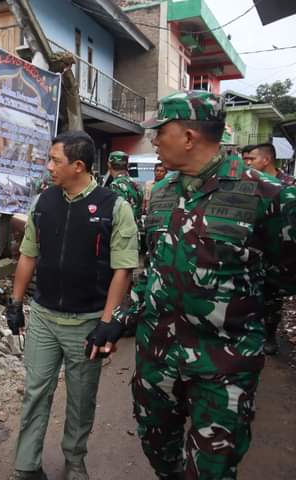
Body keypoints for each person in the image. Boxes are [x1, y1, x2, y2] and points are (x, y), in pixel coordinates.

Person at [130, 90, 296, 479]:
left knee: (211, 470)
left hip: (224, 365)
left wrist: (237, 307)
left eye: (160, 131)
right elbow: (154, 265)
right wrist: (123, 314)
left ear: (189, 137)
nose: (153, 140)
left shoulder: (269, 196)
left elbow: (285, 273)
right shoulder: (161, 193)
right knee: (158, 451)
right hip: (157, 358)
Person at [6, 131, 138, 480]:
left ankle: (75, 460)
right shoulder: (44, 202)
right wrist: (15, 302)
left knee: (81, 399)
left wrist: (108, 321)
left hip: (87, 322)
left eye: (55, 160)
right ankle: (26, 466)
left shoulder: (114, 206)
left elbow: (123, 269)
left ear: (78, 166)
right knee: (36, 392)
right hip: (45, 317)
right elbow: (27, 255)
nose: (49, 166)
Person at [242, 143, 296, 355]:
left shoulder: (287, 186)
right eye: (245, 159)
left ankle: (270, 334)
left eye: (251, 159)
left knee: (272, 298)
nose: (246, 163)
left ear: (266, 160)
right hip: (254, 250)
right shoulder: (249, 185)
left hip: (278, 252)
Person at [106, 151, 144, 224]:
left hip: (123, 229)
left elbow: (116, 212)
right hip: (136, 229)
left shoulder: (115, 185)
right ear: (127, 165)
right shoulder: (136, 184)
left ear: (109, 165)